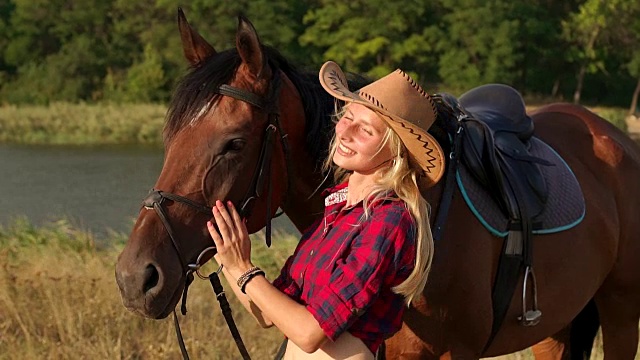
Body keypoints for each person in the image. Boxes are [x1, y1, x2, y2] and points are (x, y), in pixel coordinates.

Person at [206, 61, 445, 359]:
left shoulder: (391, 220)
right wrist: (227, 255)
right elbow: (268, 314)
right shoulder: (337, 207)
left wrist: (243, 267)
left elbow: (309, 334)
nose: (345, 132)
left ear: (394, 151)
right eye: (347, 116)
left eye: (366, 130)